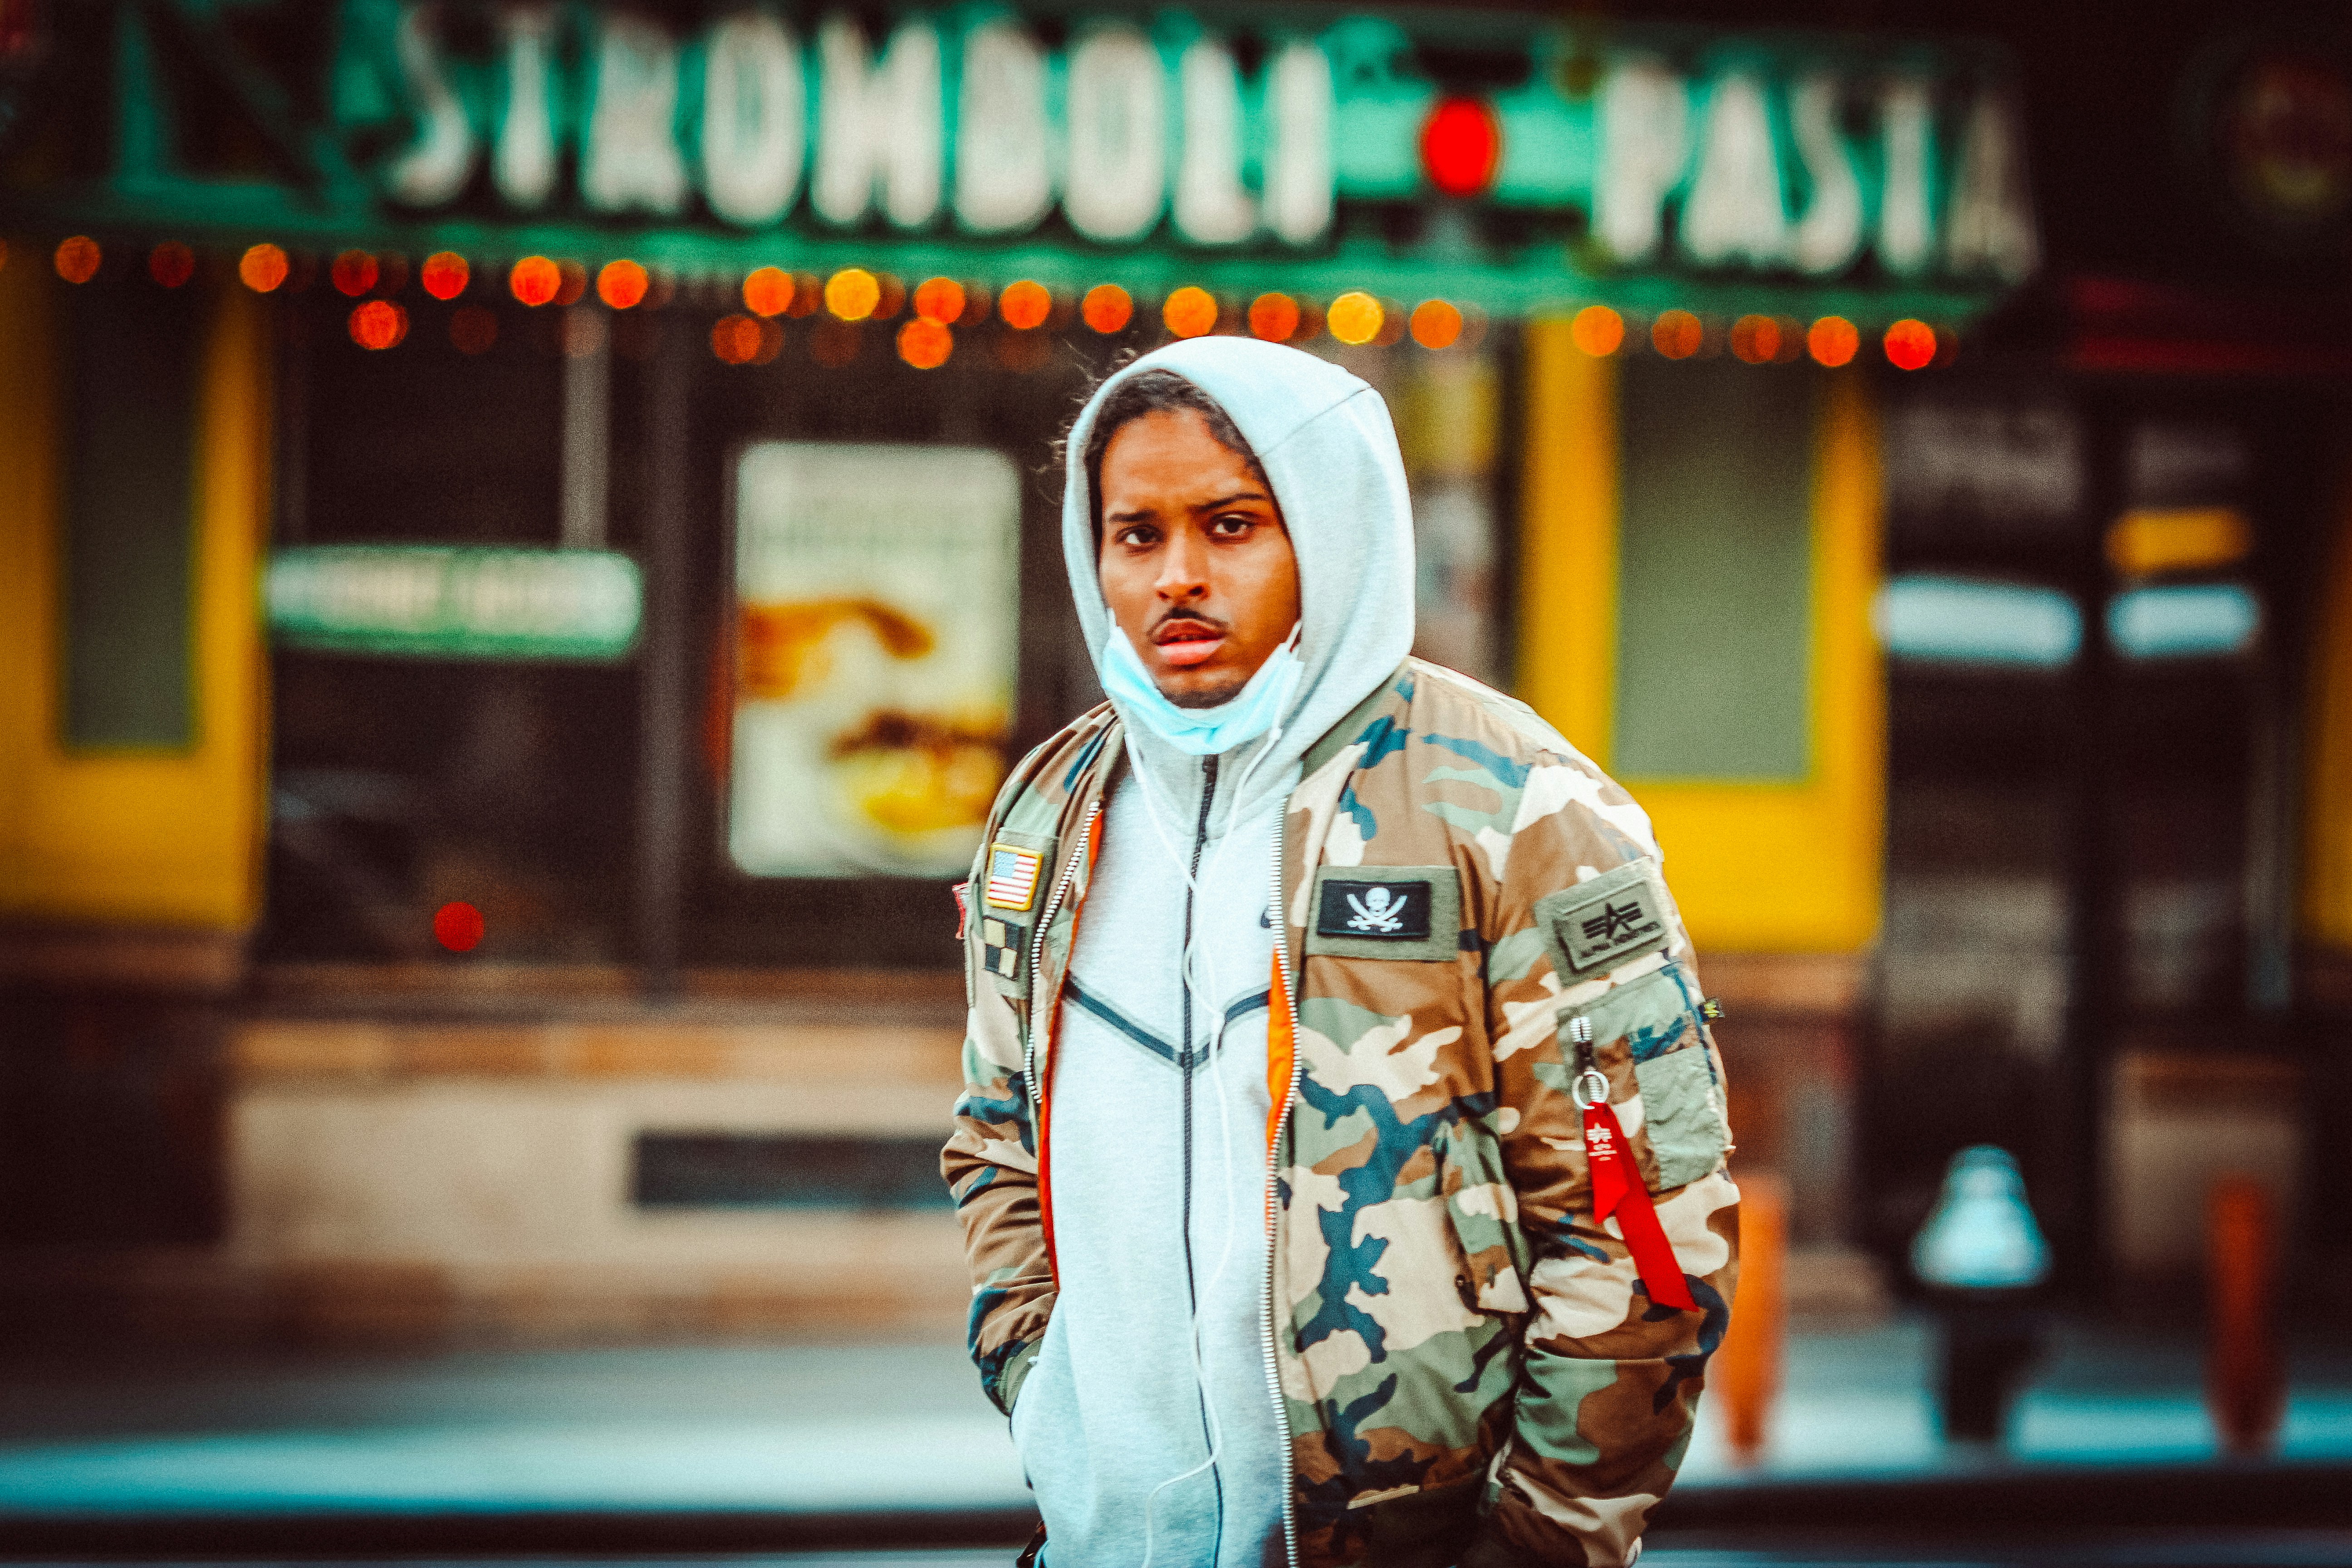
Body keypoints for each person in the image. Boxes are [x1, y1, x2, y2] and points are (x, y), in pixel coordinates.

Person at [943, 338, 1738, 1568]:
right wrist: (1043, 1387)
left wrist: (1537, 1543)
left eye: (1231, 526)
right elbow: (998, 1136)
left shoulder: (1520, 808)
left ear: (1332, 528)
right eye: (1136, 534)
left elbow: (1643, 1221)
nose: (1177, 576)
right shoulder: (1052, 811)